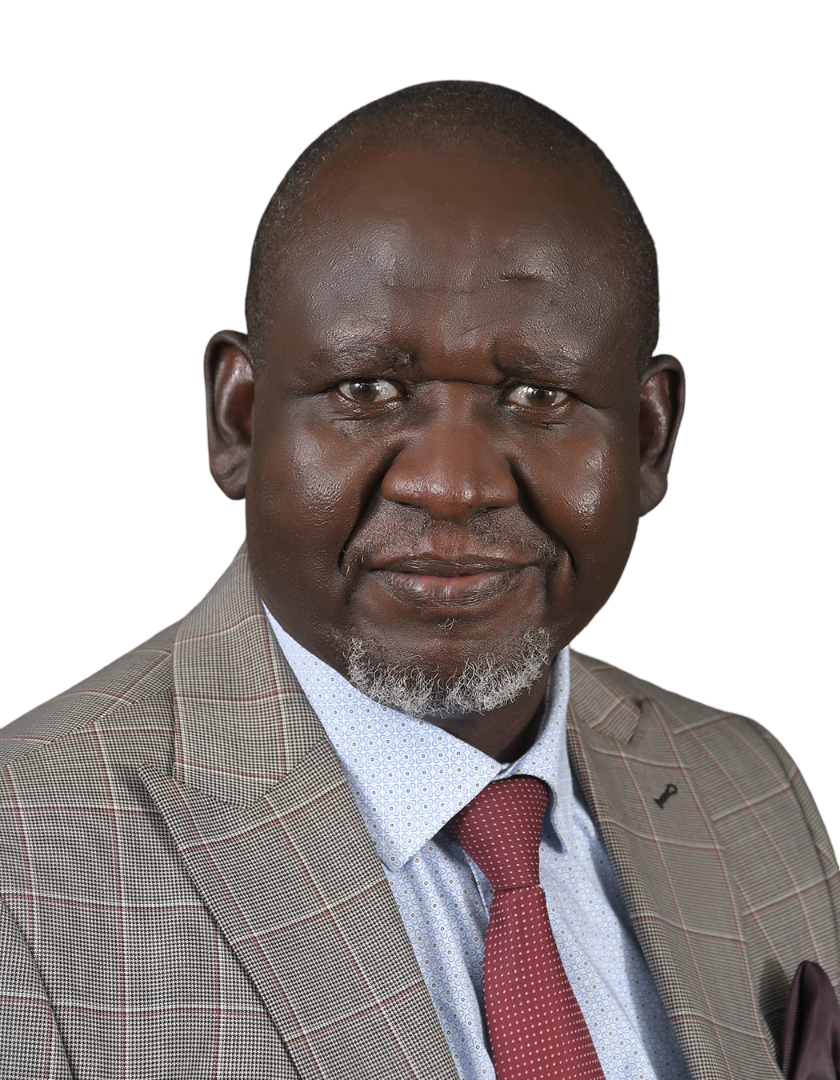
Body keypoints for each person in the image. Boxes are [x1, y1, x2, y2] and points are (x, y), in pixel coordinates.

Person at [2, 80, 837, 1080]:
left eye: (538, 394)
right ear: (239, 421)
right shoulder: (24, 862)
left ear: (648, 438)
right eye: (367, 389)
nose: (451, 485)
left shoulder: (747, 790)